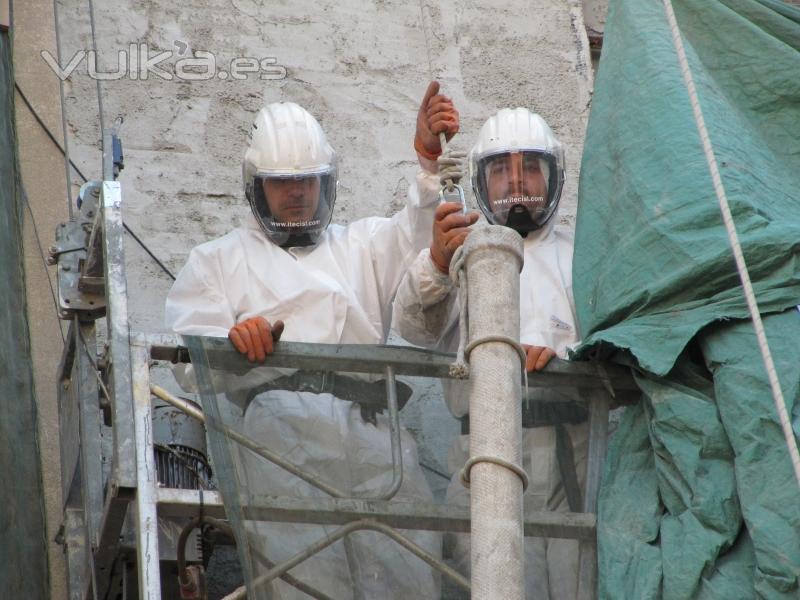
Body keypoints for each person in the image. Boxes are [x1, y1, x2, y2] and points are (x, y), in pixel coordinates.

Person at [165, 83, 459, 599]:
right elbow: (189, 358)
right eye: (282, 183)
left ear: (328, 185)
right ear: (257, 188)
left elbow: (420, 239)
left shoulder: (362, 243)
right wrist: (232, 343)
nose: (297, 192)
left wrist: (428, 161)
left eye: (308, 181)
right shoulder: (219, 259)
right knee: (302, 578)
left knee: (406, 568)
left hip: (373, 429)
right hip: (280, 431)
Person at [392, 107, 586, 599]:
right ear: (481, 178)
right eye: (502, 170)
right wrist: (438, 261)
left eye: (530, 169)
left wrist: (567, 362)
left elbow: (620, 338)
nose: (517, 182)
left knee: (579, 584)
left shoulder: (584, 253)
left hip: (575, 454)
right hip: (481, 452)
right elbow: (415, 325)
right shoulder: (465, 248)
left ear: (554, 177)